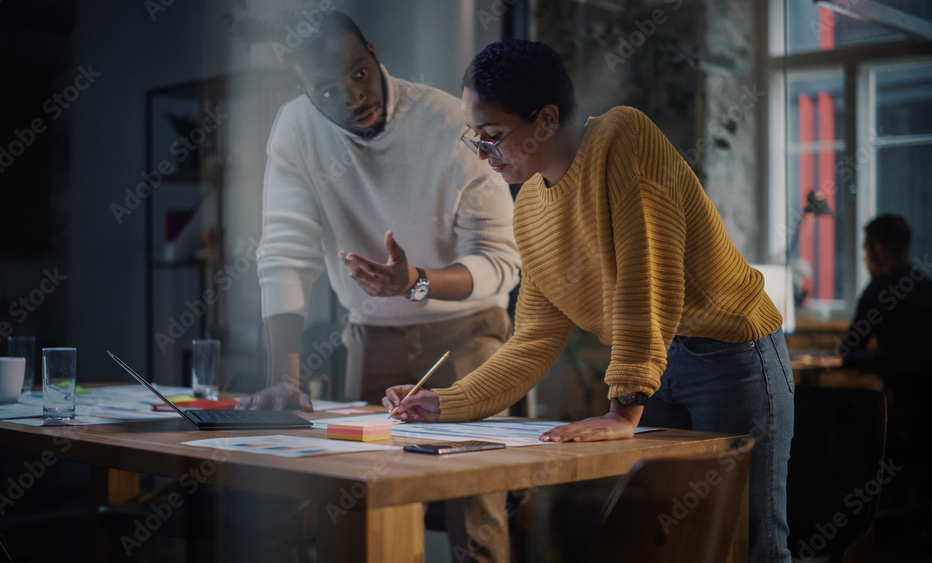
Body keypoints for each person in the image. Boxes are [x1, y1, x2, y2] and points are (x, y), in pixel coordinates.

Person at [385, 39, 795, 563]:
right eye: (476, 139)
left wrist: (623, 409)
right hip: (662, 364)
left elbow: (648, 277)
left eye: (493, 137)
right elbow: (533, 338)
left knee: (752, 539)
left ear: (548, 119)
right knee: (676, 542)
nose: (485, 155)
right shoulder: (530, 207)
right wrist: (446, 402)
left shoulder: (622, 136)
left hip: (734, 354)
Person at [238, 12, 521, 563]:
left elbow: (500, 264)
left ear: (372, 51)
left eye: (359, 72)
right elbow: (285, 252)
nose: (352, 95)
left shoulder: (451, 124)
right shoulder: (297, 129)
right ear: (305, 92)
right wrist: (283, 378)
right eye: (326, 88)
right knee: (361, 507)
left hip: (469, 336)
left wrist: (416, 283)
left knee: (476, 511)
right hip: (370, 336)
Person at [840, 213, 932, 517]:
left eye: (866, 248)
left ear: (878, 249)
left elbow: (849, 350)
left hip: (898, 414)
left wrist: (878, 358)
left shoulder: (878, 289)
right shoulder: (924, 285)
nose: (865, 257)